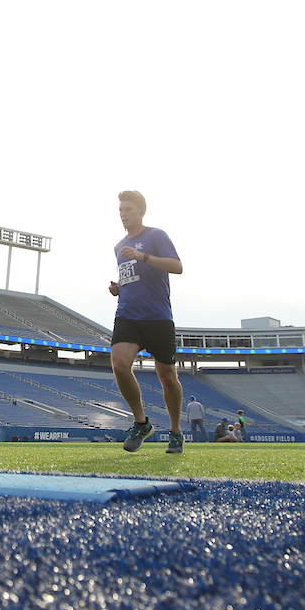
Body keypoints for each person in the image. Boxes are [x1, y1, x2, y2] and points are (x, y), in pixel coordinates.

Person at [108, 190, 185, 453]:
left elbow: (177, 266)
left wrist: (144, 257)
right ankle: (141, 423)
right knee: (119, 364)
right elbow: (130, 275)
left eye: (128, 209)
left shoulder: (156, 236)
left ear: (141, 211)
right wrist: (118, 287)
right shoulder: (118, 247)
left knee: (168, 377)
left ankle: (175, 431)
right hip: (127, 315)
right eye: (120, 210)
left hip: (158, 317)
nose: (123, 214)